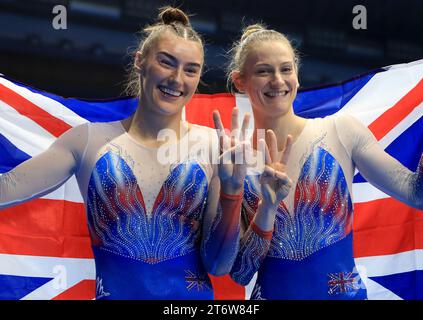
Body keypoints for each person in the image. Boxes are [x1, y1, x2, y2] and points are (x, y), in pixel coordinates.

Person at [0, 7, 250, 300]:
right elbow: (8, 187)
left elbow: (219, 265)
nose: (177, 79)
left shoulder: (215, 148)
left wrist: (233, 196)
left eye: (190, 69)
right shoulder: (88, 141)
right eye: (166, 63)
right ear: (140, 61)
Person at [227, 23, 423, 300]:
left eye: (285, 69)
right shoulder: (236, 162)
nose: (277, 81)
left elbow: (416, 194)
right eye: (263, 71)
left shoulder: (340, 131)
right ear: (240, 81)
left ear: (297, 74)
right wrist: (267, 207)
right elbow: (241, 272)